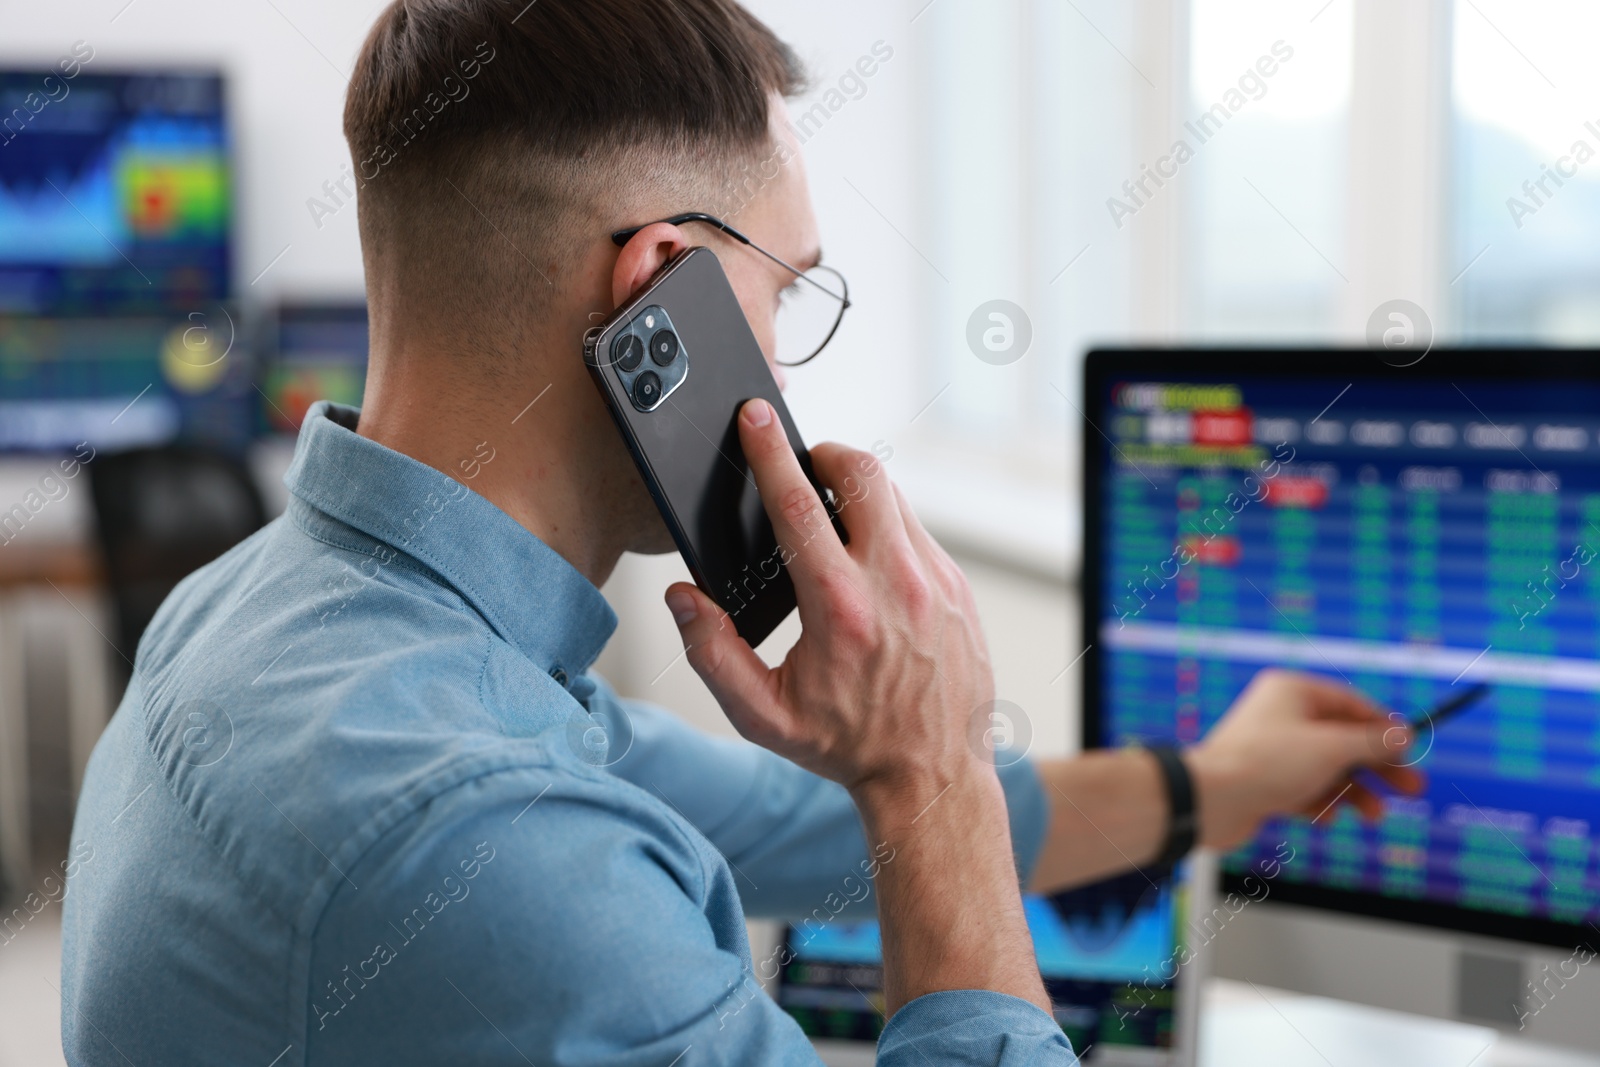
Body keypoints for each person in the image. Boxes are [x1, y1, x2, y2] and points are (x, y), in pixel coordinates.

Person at [60, 1, 1420, 1063]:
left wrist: (1208, 784)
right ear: (665, 295)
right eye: (785, 298)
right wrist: (931, 770)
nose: (783, 362)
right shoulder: (483, 846)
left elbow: (799, 832)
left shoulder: (270, 613)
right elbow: (867, 827)